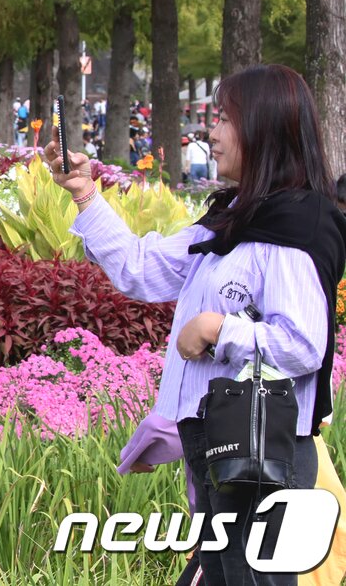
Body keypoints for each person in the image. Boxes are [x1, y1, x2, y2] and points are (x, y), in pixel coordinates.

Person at [44, 64, 346, 585]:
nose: (212, 131)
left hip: (263, 453)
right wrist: (83, 192)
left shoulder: (298, 224)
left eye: (225, 119)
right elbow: (142, 269)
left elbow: (303, 345)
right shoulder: (235, 219)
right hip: (221, 446)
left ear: (264, 128)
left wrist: (215, 329)